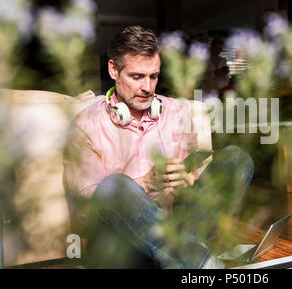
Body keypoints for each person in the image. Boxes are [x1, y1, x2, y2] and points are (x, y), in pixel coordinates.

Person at [62, 25, 254, 269]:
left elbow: (192, 172)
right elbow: (85, 210)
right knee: (113, 186)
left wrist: (188, 179)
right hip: (121, 244)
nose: (148, 88)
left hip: (174, 228)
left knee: (236, 159)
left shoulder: (175, 111)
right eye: (137, 77)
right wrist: (145, 184)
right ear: (113, 70)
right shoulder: (85, 124)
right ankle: (195, 260)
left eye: (153, 76)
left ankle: (184, 256)